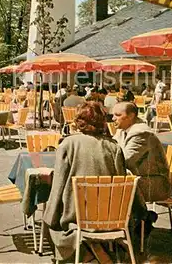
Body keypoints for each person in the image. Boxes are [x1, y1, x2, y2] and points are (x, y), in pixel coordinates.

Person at [44, 102, 127, 263]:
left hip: (77, 215)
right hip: (109, 216)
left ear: (78, 121)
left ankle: (86, 251)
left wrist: (51, 213)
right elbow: (121, 181)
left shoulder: (67, 144)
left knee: (51, 222)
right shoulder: (113, 147)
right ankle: (96, 248)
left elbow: (58, 184)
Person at [112, 102, 170, 232]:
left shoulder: (141, 133)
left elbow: (124, 160)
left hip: (155, 182)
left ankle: (139, 219)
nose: (113, 118)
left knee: (114, 187)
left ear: (131, 116)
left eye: (117, 115)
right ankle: (137, 219)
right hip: (141, 177)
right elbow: (113, 149)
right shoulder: (123, 129)